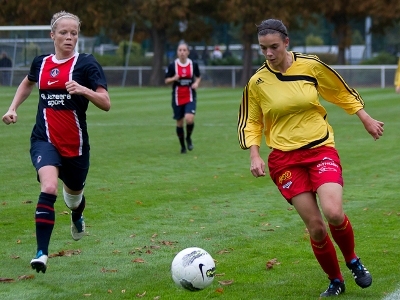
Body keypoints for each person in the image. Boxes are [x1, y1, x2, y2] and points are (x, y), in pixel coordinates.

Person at [237, 19, 384, 297]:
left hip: (320, 149)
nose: (269, 54)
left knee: (333, 213)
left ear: (287, 42)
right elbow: (252, 121)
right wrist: (254, 154)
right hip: (285, 160)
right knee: (316, 228)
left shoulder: (310, 65)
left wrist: (364, 118)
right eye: (263, 48)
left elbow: (339, 91)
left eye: (274, 47)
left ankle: (353, 260)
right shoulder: (257, 82)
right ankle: (336, 280)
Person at [2, 11, 111, 274]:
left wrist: (83, 90)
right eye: (63, 32)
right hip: (44, 140)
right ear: (52, 35)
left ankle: (76, 215)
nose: (69, 38)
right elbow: (28, 83)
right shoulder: (41, 63)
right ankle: (41, 253)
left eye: (74, 33)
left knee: (74, 198)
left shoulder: (86, 64)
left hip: (75, 146)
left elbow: (106, 102)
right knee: (49, 186)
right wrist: (13, 107)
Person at [165, 42, 201, 154]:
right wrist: (173, 78)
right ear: (177, 52)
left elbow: (198, 76)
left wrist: (196, 83)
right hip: (177, 97)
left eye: (184, 50)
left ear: (188, 52)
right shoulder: (172, 65)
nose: (182, 52)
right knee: (179, 123)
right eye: (180, 50)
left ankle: (188, 138)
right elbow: (166, 80)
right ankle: (182, 147)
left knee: (189, 119)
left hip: (190, 96)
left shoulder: (193, 64)